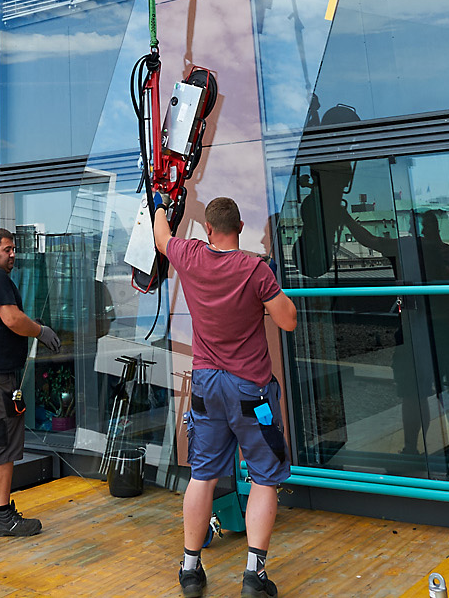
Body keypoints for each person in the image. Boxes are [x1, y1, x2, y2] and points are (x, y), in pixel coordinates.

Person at [155, 197, 299, 597]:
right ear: (239, 226)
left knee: (202, 476)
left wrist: (160, 206)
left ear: (207, 228)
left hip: (205, 385)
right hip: (250, 389)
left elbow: (162, 238)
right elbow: (287, 320)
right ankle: (254, 575)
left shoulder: (190, 256)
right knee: (265, 480)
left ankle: (190, 569)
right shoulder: (255, 268)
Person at [0, 228, 60, 536]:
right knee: (1, 444)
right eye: (7, 249)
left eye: (14, 249)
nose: (12, 254)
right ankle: (3, 517)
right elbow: (12, 319)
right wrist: (40, 331)